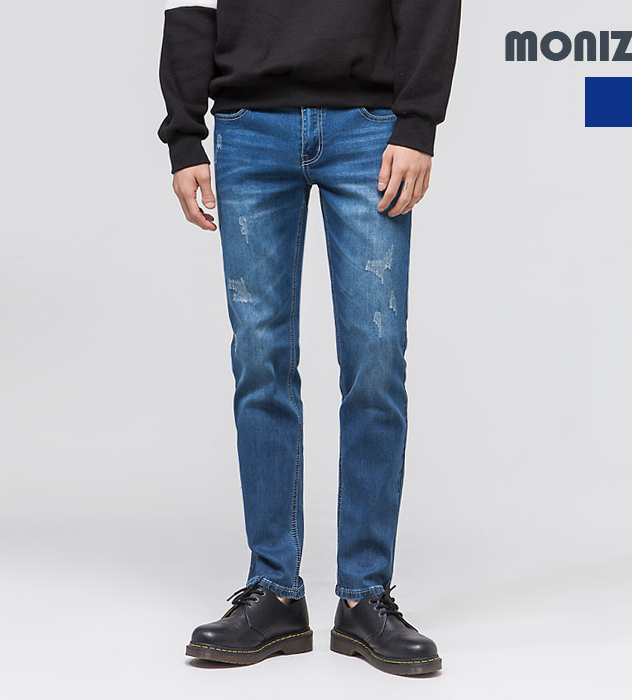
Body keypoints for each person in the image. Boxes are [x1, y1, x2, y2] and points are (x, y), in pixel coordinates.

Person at [157, 0, 462, 676]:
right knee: (260, 358)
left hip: (369, 127)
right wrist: (184, 134)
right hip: (247, 127)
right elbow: (191, 2)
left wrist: (418, 122)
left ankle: (364, 597)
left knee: (375, 359)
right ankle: (274, 593)